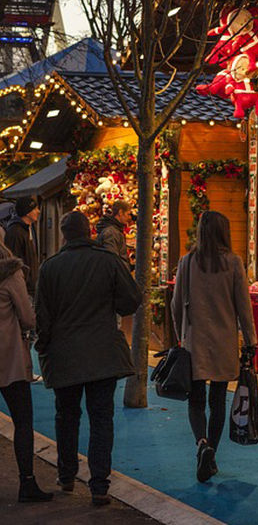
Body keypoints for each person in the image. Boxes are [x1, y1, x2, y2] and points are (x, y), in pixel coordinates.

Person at [34, 211, 141, 507]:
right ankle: (99, 486)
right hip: (102, 353)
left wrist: (43, 348)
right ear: (89, 232)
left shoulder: (50, 268)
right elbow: (132, 299)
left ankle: (67, 476)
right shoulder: (107, 261)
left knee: (66, 416)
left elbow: (42, 314)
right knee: (101, 418)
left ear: (65, 235)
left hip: (65, 353)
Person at [171, 210, 257, 484]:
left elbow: (176, 304)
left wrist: (180, 334)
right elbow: (244, 306)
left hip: (194, 340)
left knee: (195, 400)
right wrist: (251, 340)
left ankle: (201, 443)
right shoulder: (233, 263)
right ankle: (212, 455)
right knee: (217, 401)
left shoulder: (187, 262)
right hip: (224, 341)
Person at [0, 242, 52, 503]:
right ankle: (27, 482)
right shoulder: (10, 273)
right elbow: (28, 318)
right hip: (8, 360)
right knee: (22, 421)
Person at [6, 197, 40, 299]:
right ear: (27, 212)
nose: (38, 211)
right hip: (23, 289)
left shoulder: (27, 229)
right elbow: (12, 261)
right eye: (35, 209)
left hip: (29, 287)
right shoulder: (16, 232)